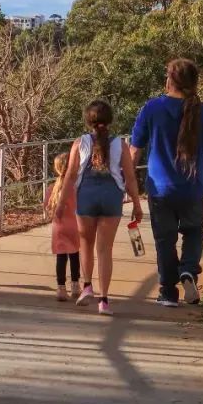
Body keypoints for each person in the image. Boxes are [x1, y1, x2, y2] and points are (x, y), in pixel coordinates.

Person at [129, 59, 203, 308]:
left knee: (165, 239)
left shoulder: (151, 109)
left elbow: (134, 151)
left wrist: (128, 186)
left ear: (170, 80)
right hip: (193, 188)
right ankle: (189, 271)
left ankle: (168, 291)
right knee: (194, 232)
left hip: (160, 188)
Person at [55, 100, 143, 316]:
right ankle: (104, 300)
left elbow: (71, 176)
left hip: (87, 194)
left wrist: (60, 203)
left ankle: (87, 286)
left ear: (88, 121)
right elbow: (130, 177)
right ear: (110, 120)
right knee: (105, 250)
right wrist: (137, 203)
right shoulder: (120, 145)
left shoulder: (80, 142)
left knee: (86, 243)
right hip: (111, 196)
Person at [45, 153, 80, 302]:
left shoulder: (52, 188)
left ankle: (60, 287)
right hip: (75, 225)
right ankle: (75, 285)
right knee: (74, 256)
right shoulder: (76, 186)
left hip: (59, 227)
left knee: (61, 257)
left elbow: (47, 207)